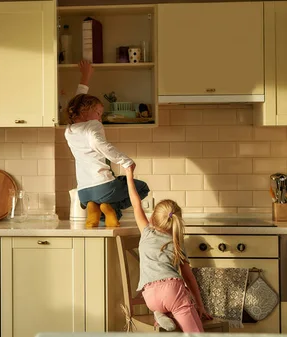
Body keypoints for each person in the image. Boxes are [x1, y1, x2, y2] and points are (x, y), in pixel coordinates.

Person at [125, 164, 212, 332]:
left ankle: (161, 315)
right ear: (176, 222)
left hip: (149, 297)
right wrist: (200, 306)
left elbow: (136, 204)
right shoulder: (177, 242)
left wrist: (129, 175)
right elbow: (189, 278)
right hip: (173, 292)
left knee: (171, 305)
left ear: (152, 218)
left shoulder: (146, 232)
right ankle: (169, 313)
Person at [64, 60, 150, 227]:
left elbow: (76, 102)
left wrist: (85, 78)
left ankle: (94, 208)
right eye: (98, 113)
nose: (100, 118)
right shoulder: (93, 126)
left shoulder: (69, 130)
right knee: (142, 188)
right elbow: (99, 143)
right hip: (104, 187)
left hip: (84, 192)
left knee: (108, 206)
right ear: (84, 111)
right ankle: (106, 207)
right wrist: (125, 161)